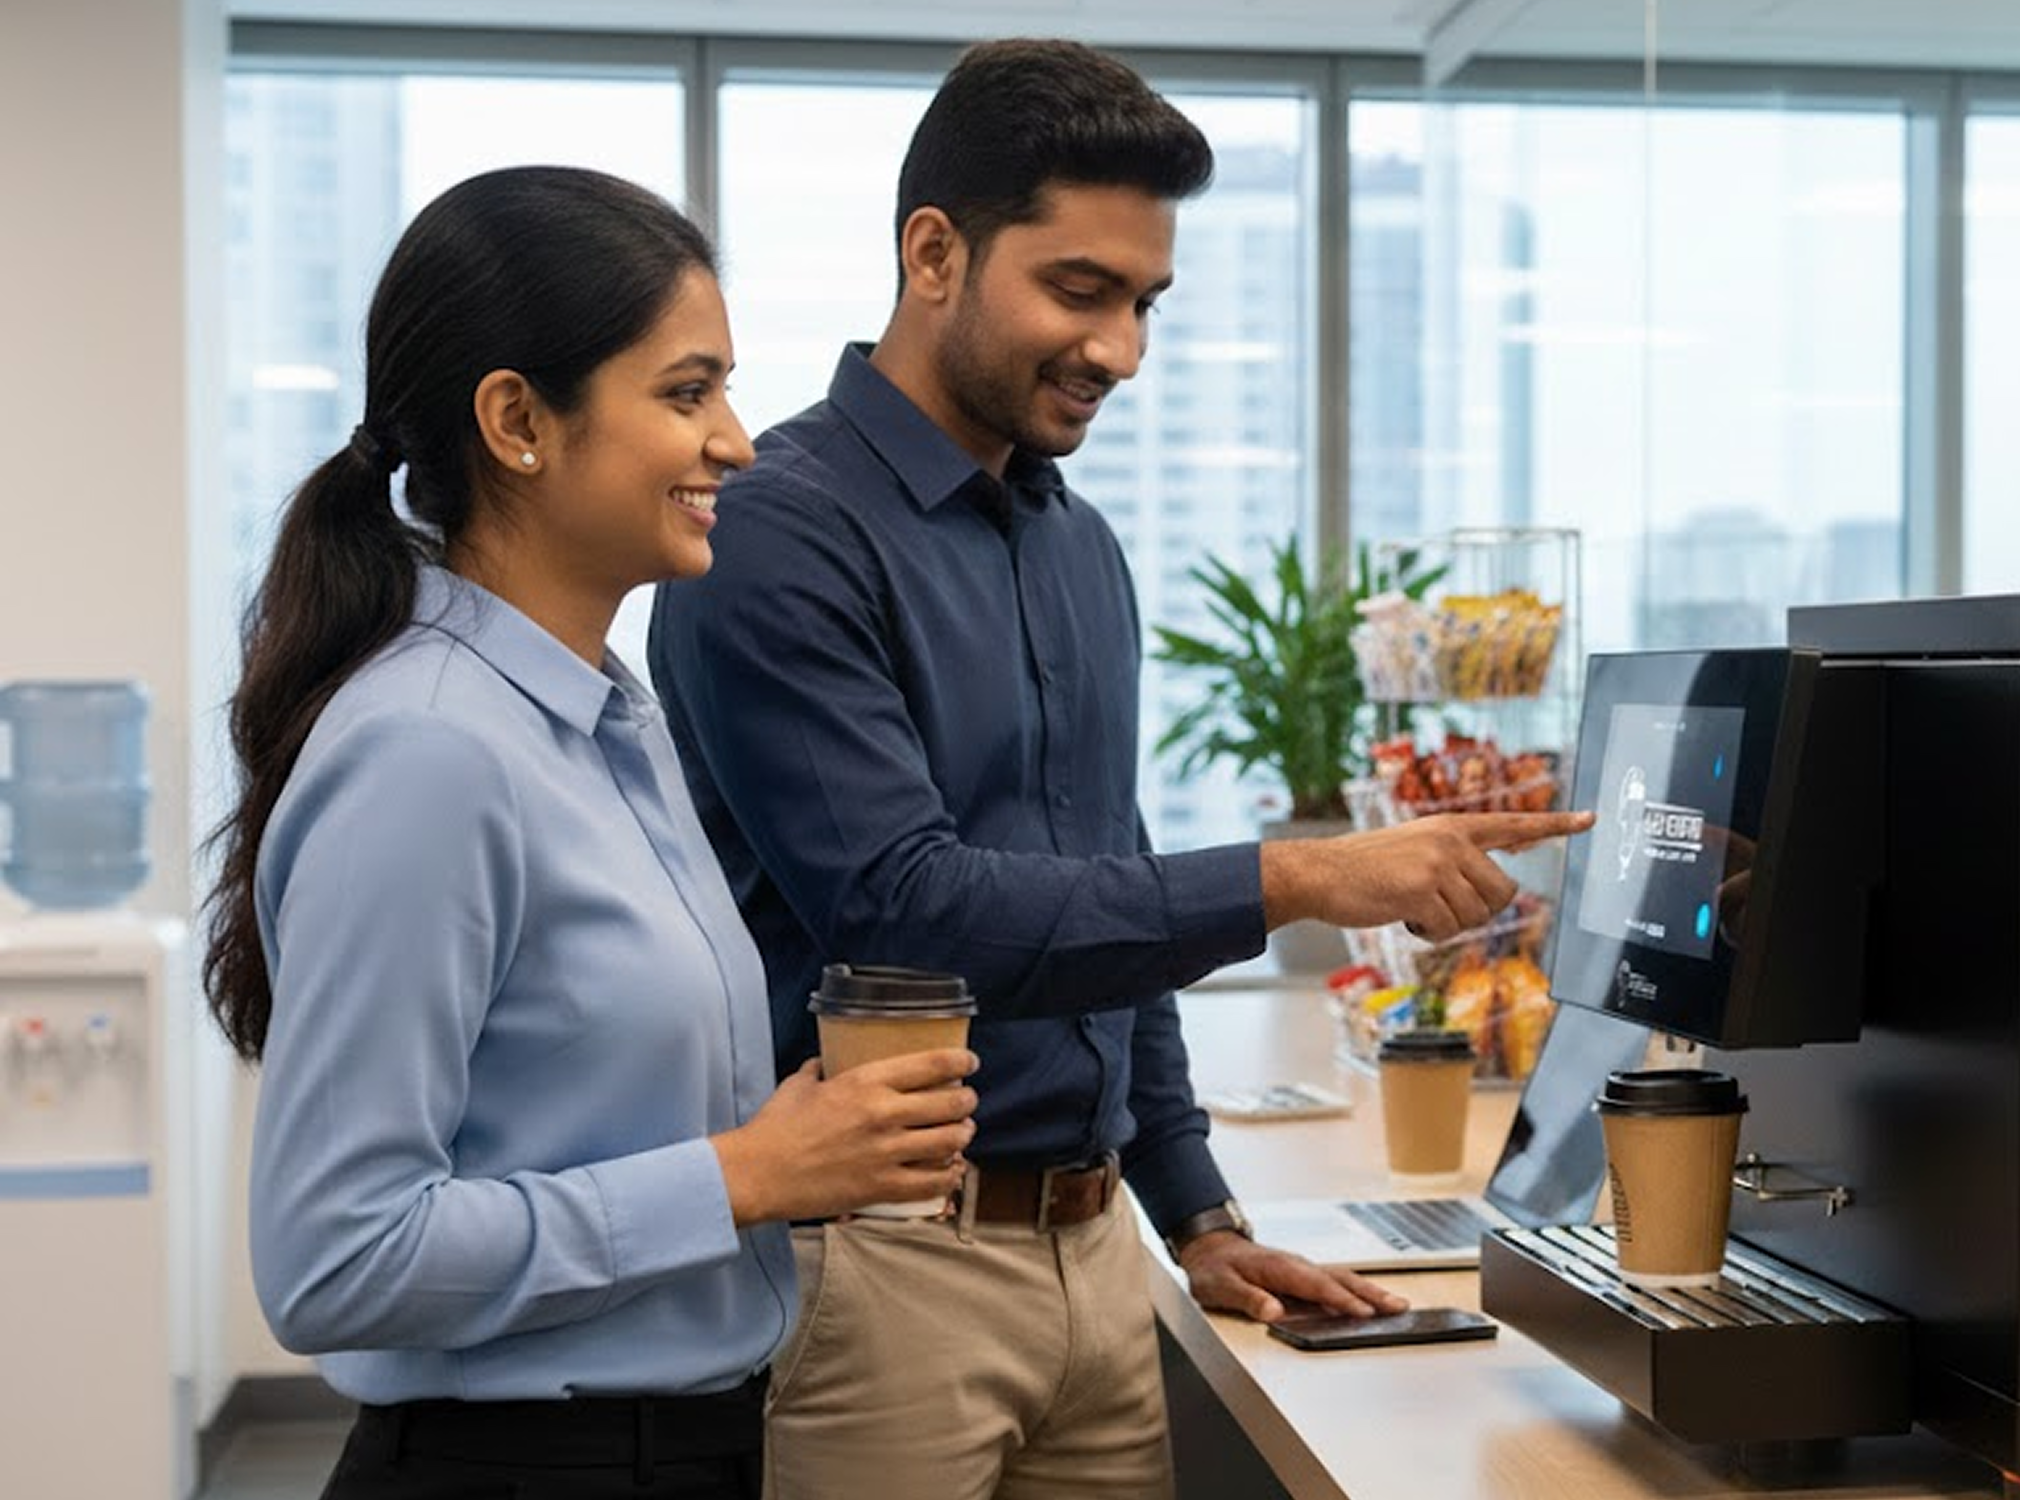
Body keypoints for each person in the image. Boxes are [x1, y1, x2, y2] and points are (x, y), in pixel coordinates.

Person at [647, 39, 1590, 1500]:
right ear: (935, 251)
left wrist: (1197, 1212)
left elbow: (1105, 893)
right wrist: (1298, 877)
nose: (1121, 351)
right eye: (1079, 292)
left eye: (1144, 304)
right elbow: (907, 913)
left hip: (1099, 1260)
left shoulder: (1076, 543)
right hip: (880, 1271)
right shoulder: (779, 527)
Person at [201, 165, 981, 1500]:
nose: (738, 440)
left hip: (682, 1445)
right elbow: (334, 1259)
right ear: (517, 421)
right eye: (687, 393)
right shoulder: (430, 750)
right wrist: (739, 1175)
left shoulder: (609, 712)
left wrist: (797, 1158)